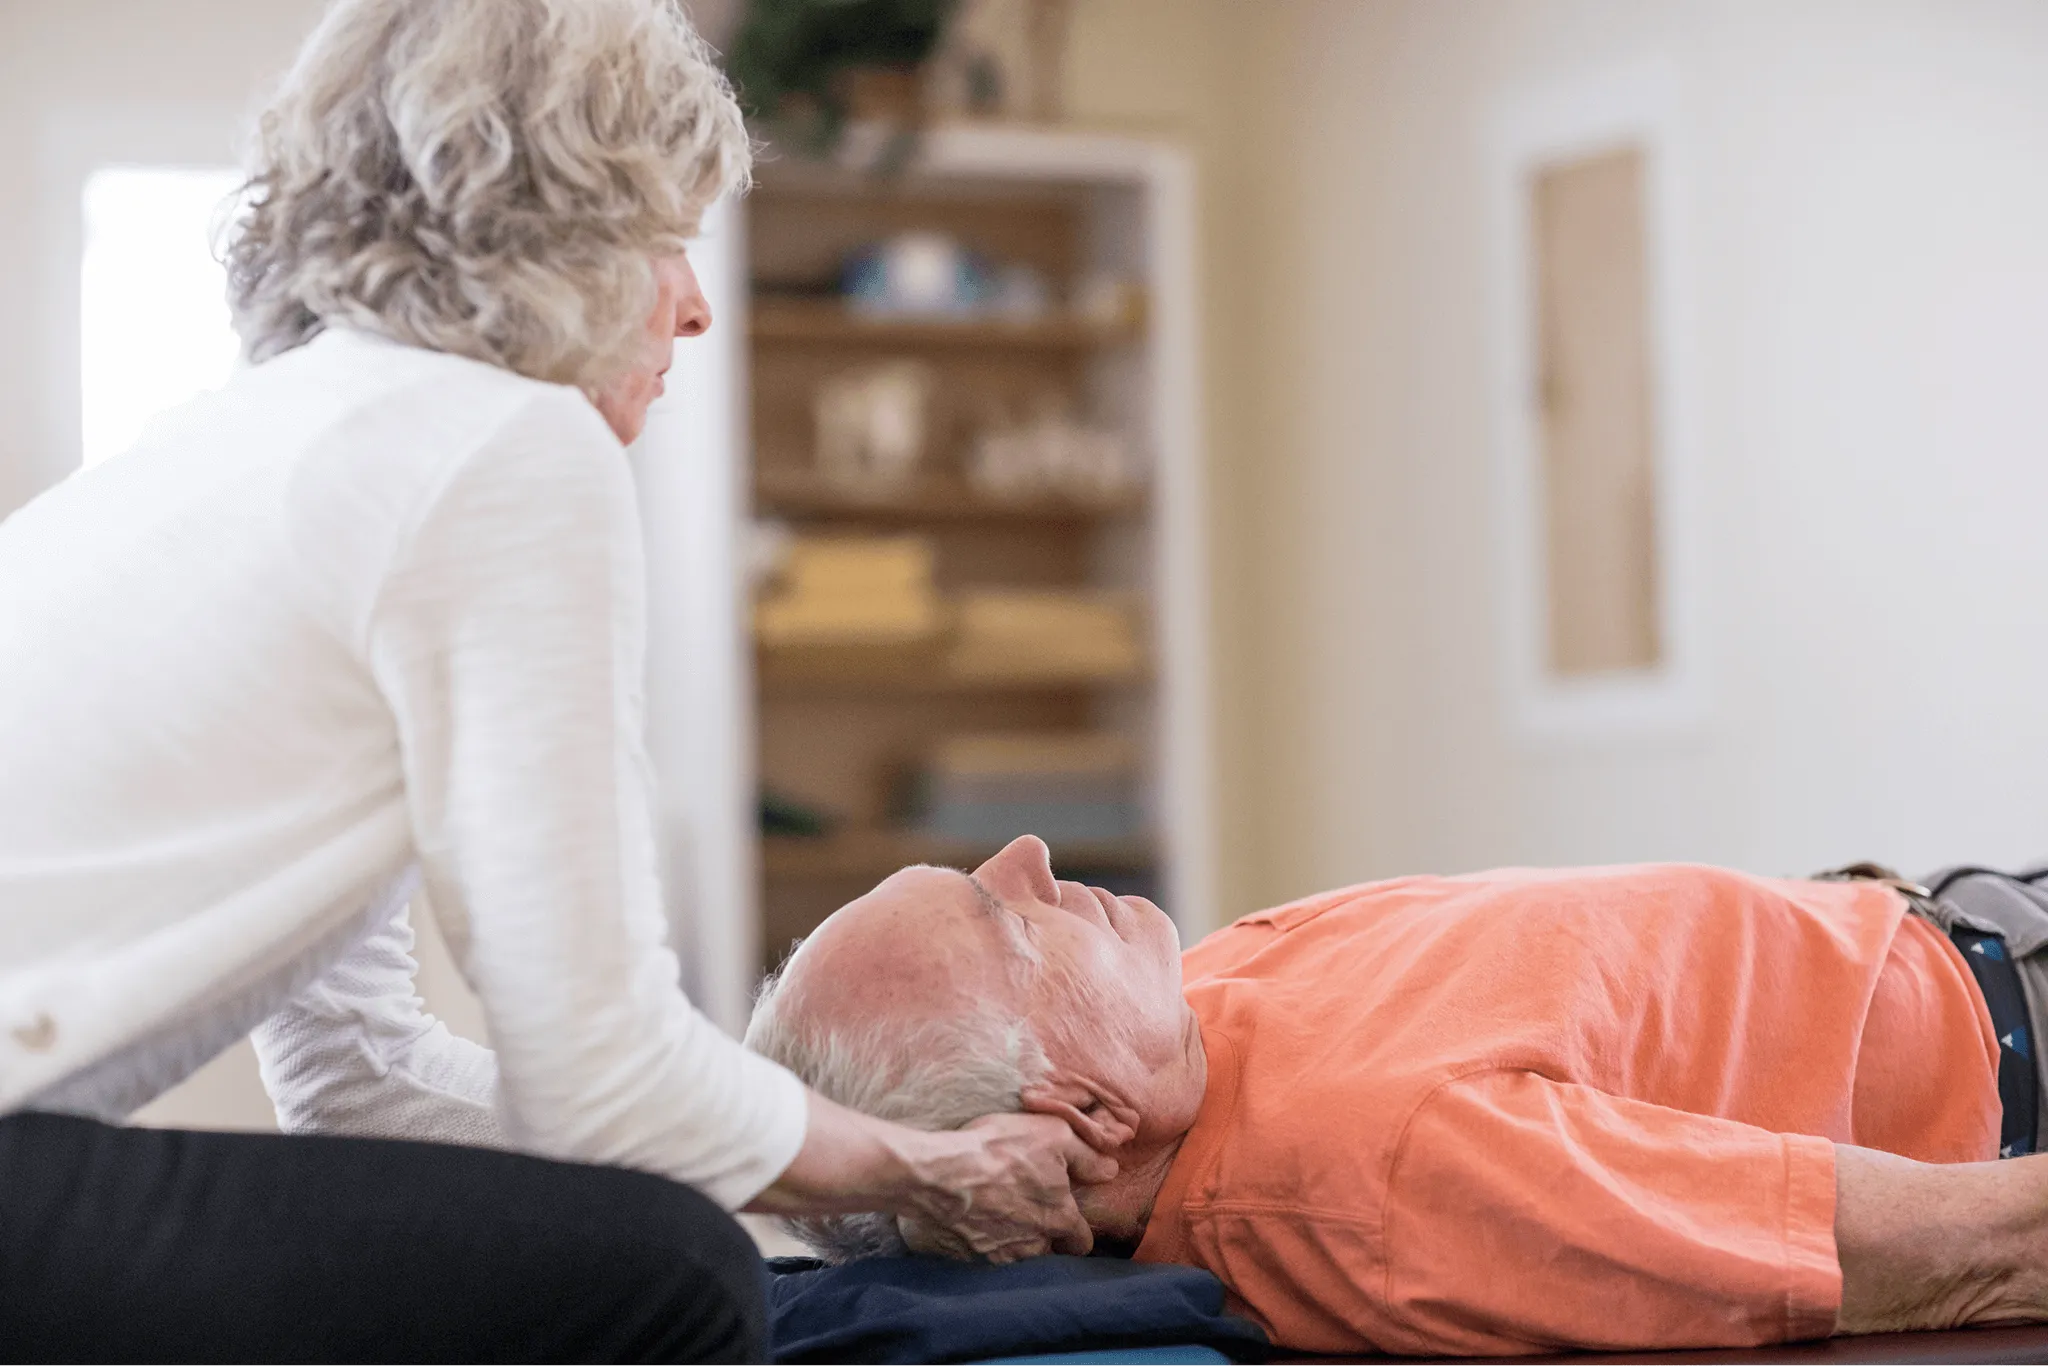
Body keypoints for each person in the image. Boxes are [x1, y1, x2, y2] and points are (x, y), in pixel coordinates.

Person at [0, 2, 1107, 1361]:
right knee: (673, 1270)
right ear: (557, 237)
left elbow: (360, 1081)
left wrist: (786, 1123)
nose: (696, 306)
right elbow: (603, 1085)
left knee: (623, 1227)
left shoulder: (273, 437)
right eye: (665, 242)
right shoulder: (501, 444)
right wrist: (915, 1165)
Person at [746, 834, 2048, 1358]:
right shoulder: (1373, 1179)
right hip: (2012, 1028)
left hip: (1958, 910)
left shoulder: (1185, 1013)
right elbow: (1947, 1257)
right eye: (1002, 919)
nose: (1026, 853)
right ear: (1080, 1113)